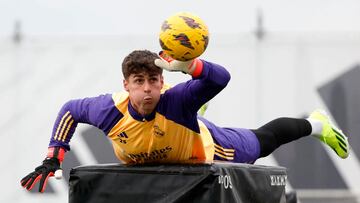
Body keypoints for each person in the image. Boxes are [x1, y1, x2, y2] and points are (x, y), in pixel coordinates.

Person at [21, 50, 349, 193]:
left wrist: (191, 66)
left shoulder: (171, 100)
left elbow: (221, 78)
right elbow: (69, 110)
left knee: (263, 141)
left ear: (163, 82)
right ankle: (195, 109)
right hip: (161, 148)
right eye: (139, 82)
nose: (147, 89)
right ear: (126, 85)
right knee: (189, 101)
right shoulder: (107, 110)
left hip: (205, 150)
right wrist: (54, 156)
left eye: (153, 80)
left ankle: (316, 125)